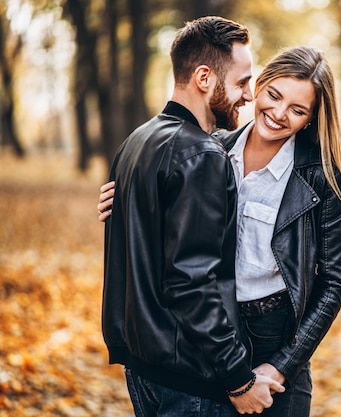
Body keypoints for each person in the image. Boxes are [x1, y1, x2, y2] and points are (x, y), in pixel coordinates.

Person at [98, 45, 341, 416]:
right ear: (259, 85)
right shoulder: (211, 148)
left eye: (298, 110)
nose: (279, 114)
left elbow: (333, 284)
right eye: (273, 95)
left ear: (312, 117)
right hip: (206, 332)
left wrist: (283, 363)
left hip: (274, 335)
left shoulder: (323, 178)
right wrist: (125, 204)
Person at [101, 16, 284, 417]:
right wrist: (239, 378)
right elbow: (192, 282)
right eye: (241, 82)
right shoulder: (201, 155)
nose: (249, 96)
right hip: (189, 380)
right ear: (204, 77)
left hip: (144, 367)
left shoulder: (136, 141)